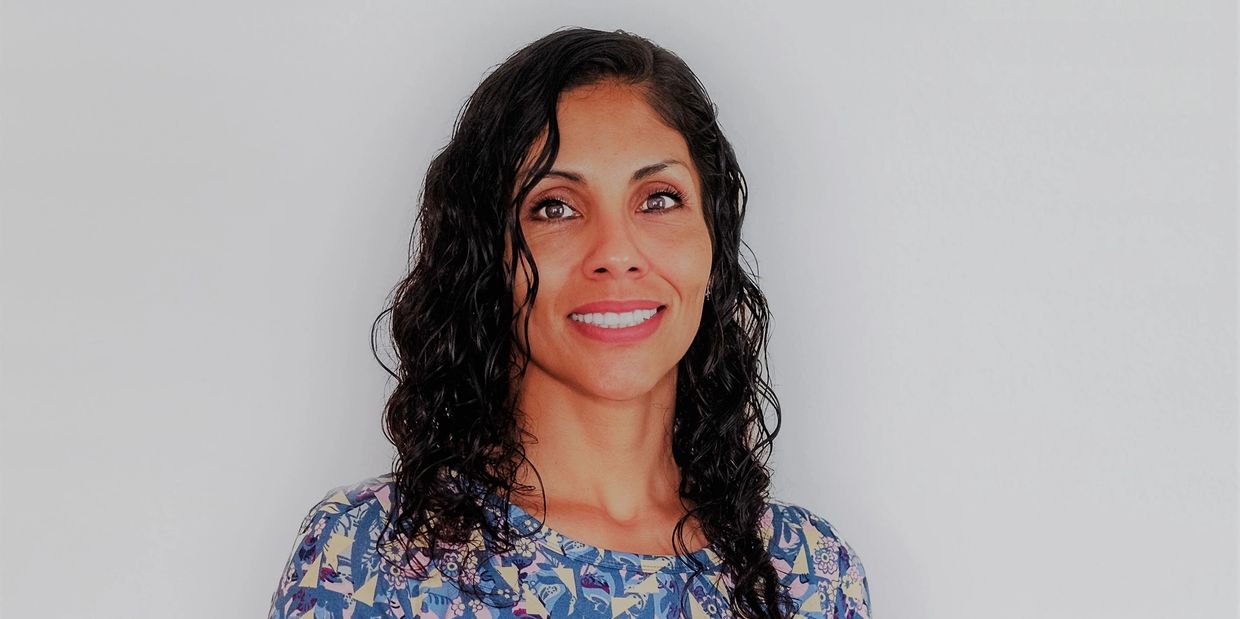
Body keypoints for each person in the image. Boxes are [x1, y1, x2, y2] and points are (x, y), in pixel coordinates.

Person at [267, 27, 871, 619]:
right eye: (555, 207)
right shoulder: (371, 556)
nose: (615, 251)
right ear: (489, 258)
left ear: (713, 245)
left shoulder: (809, 576)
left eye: (659, 199)